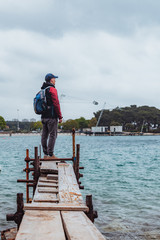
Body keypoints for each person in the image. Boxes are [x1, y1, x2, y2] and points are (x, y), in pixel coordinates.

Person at [41, 73, 63, 158]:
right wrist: (60, 116)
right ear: (51, 80)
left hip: (43, 117)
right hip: (51, 116)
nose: (55, 80)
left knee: (44, 135)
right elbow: (56, 103)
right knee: (53, 135)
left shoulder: (42, 90)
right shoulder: (52, 89)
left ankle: (45, 154)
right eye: (54, 79)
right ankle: (50, 154)